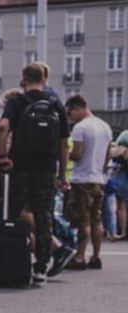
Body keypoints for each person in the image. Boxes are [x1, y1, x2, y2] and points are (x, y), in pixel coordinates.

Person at [0, 64, 70, 285]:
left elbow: (2, 127)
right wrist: (62, 174)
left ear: (23, 78)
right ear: (44, 79)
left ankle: (15, 261)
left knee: (15, 215)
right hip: (47, 170)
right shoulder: (55, 104)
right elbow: (64, 143)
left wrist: (2, 156)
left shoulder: (17, 101)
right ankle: (40, 269)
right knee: (43, 218)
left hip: (20, 168)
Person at [64, 95, 113, 270]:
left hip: (82, 179)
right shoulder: (105, 126)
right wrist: (102, 171)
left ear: (77, 108)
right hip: (99, 179)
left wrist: (66, 153)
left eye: (70, 113)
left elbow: (77, 154)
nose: (70, 117)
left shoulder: (80, 128)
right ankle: (96, 256)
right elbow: (108, 154)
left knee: (82, 220)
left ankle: (79, 258)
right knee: (96, 219)